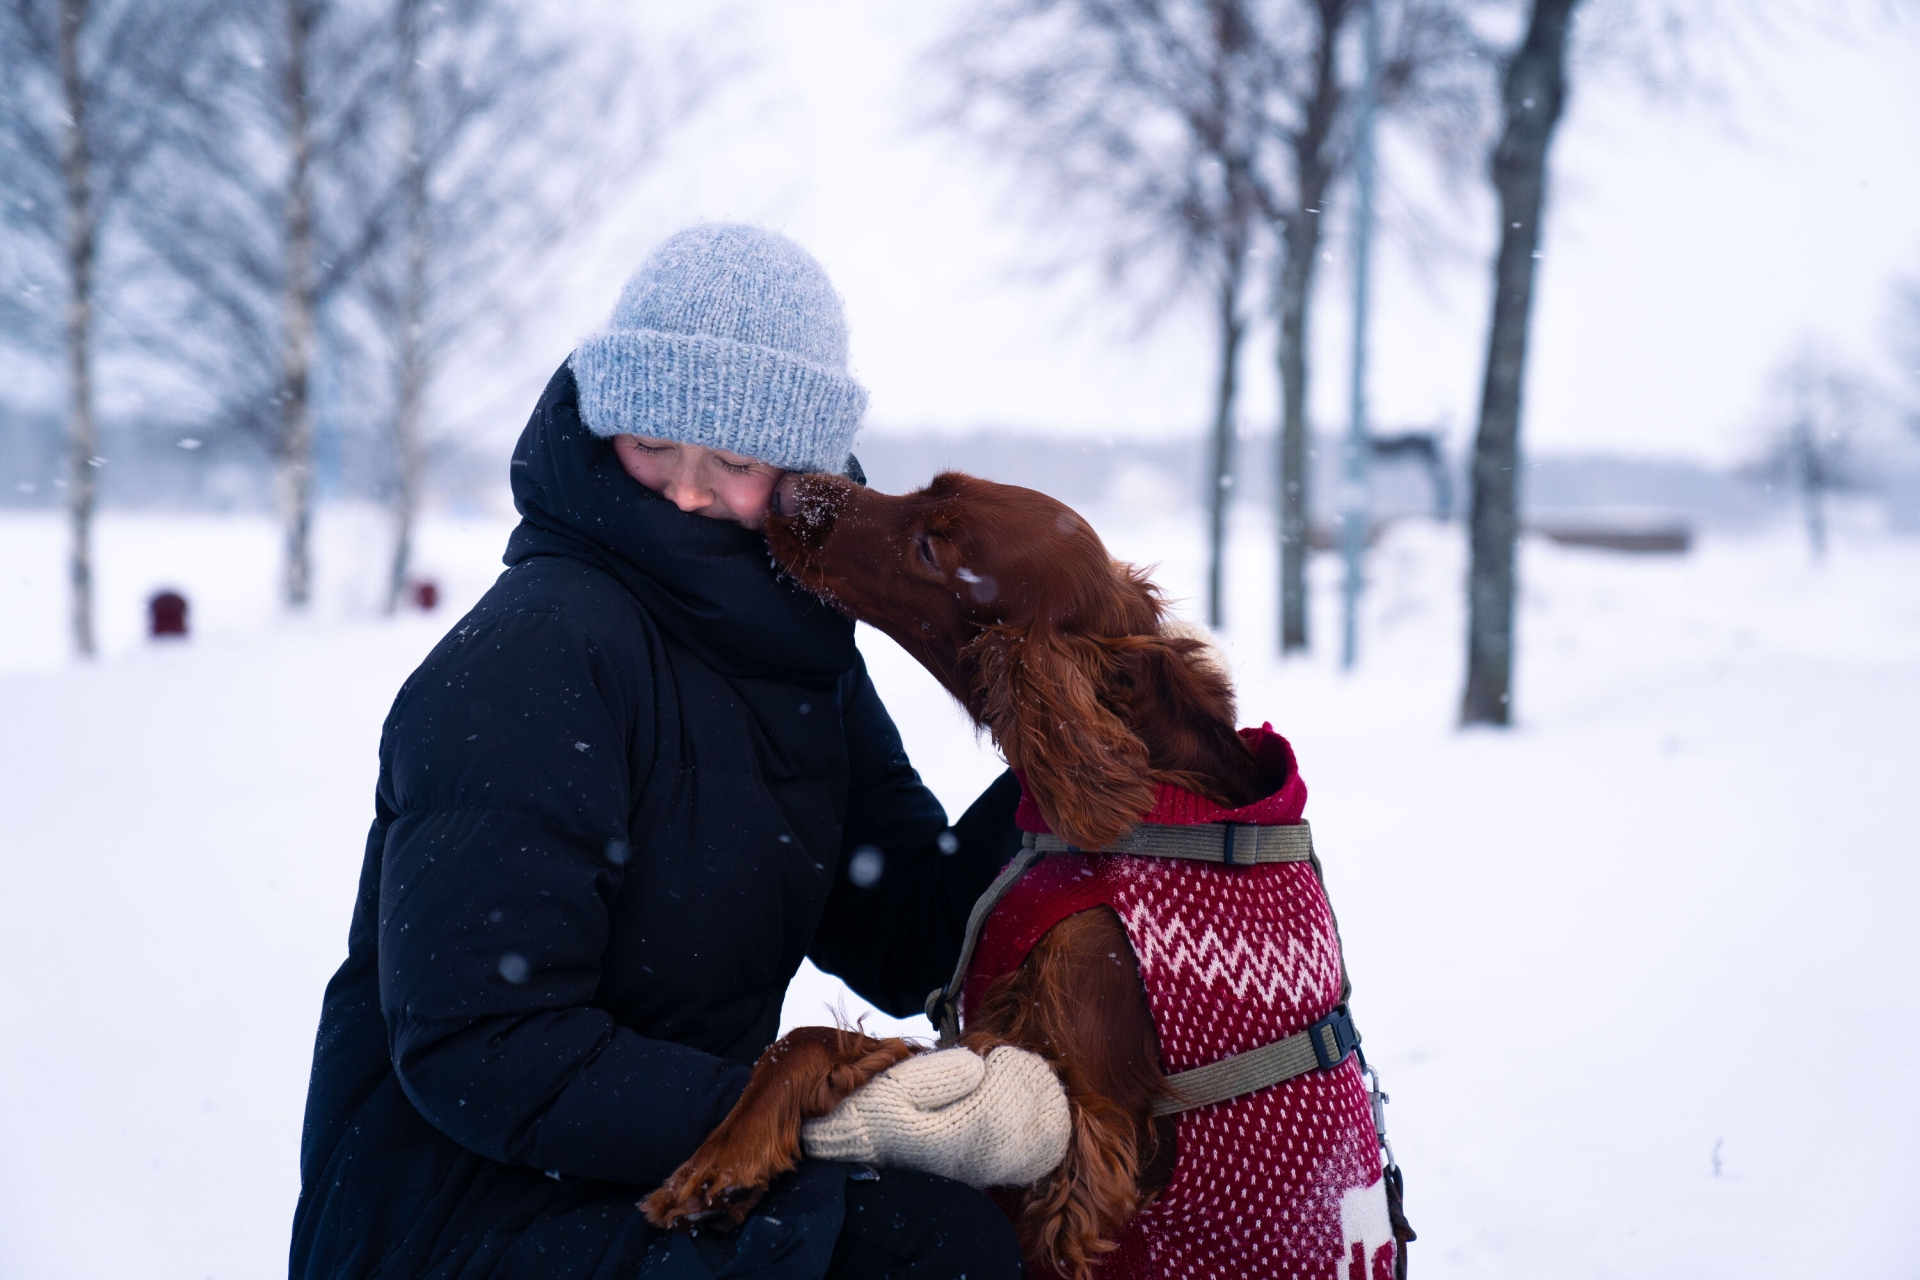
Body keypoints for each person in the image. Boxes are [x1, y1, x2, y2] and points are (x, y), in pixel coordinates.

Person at [291, 225, 1052, 1279]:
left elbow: (907, 927)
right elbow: (482, 1048)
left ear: (800, 473)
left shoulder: (796, 648)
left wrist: (1067, 754)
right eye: (652, 444)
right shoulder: (537, 653)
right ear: (606, 421)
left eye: (735, 460)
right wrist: (812, 1109)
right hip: (461, 1209)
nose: (689, 490)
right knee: (931, 1251)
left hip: (652, 1168)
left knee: (989, 1221)